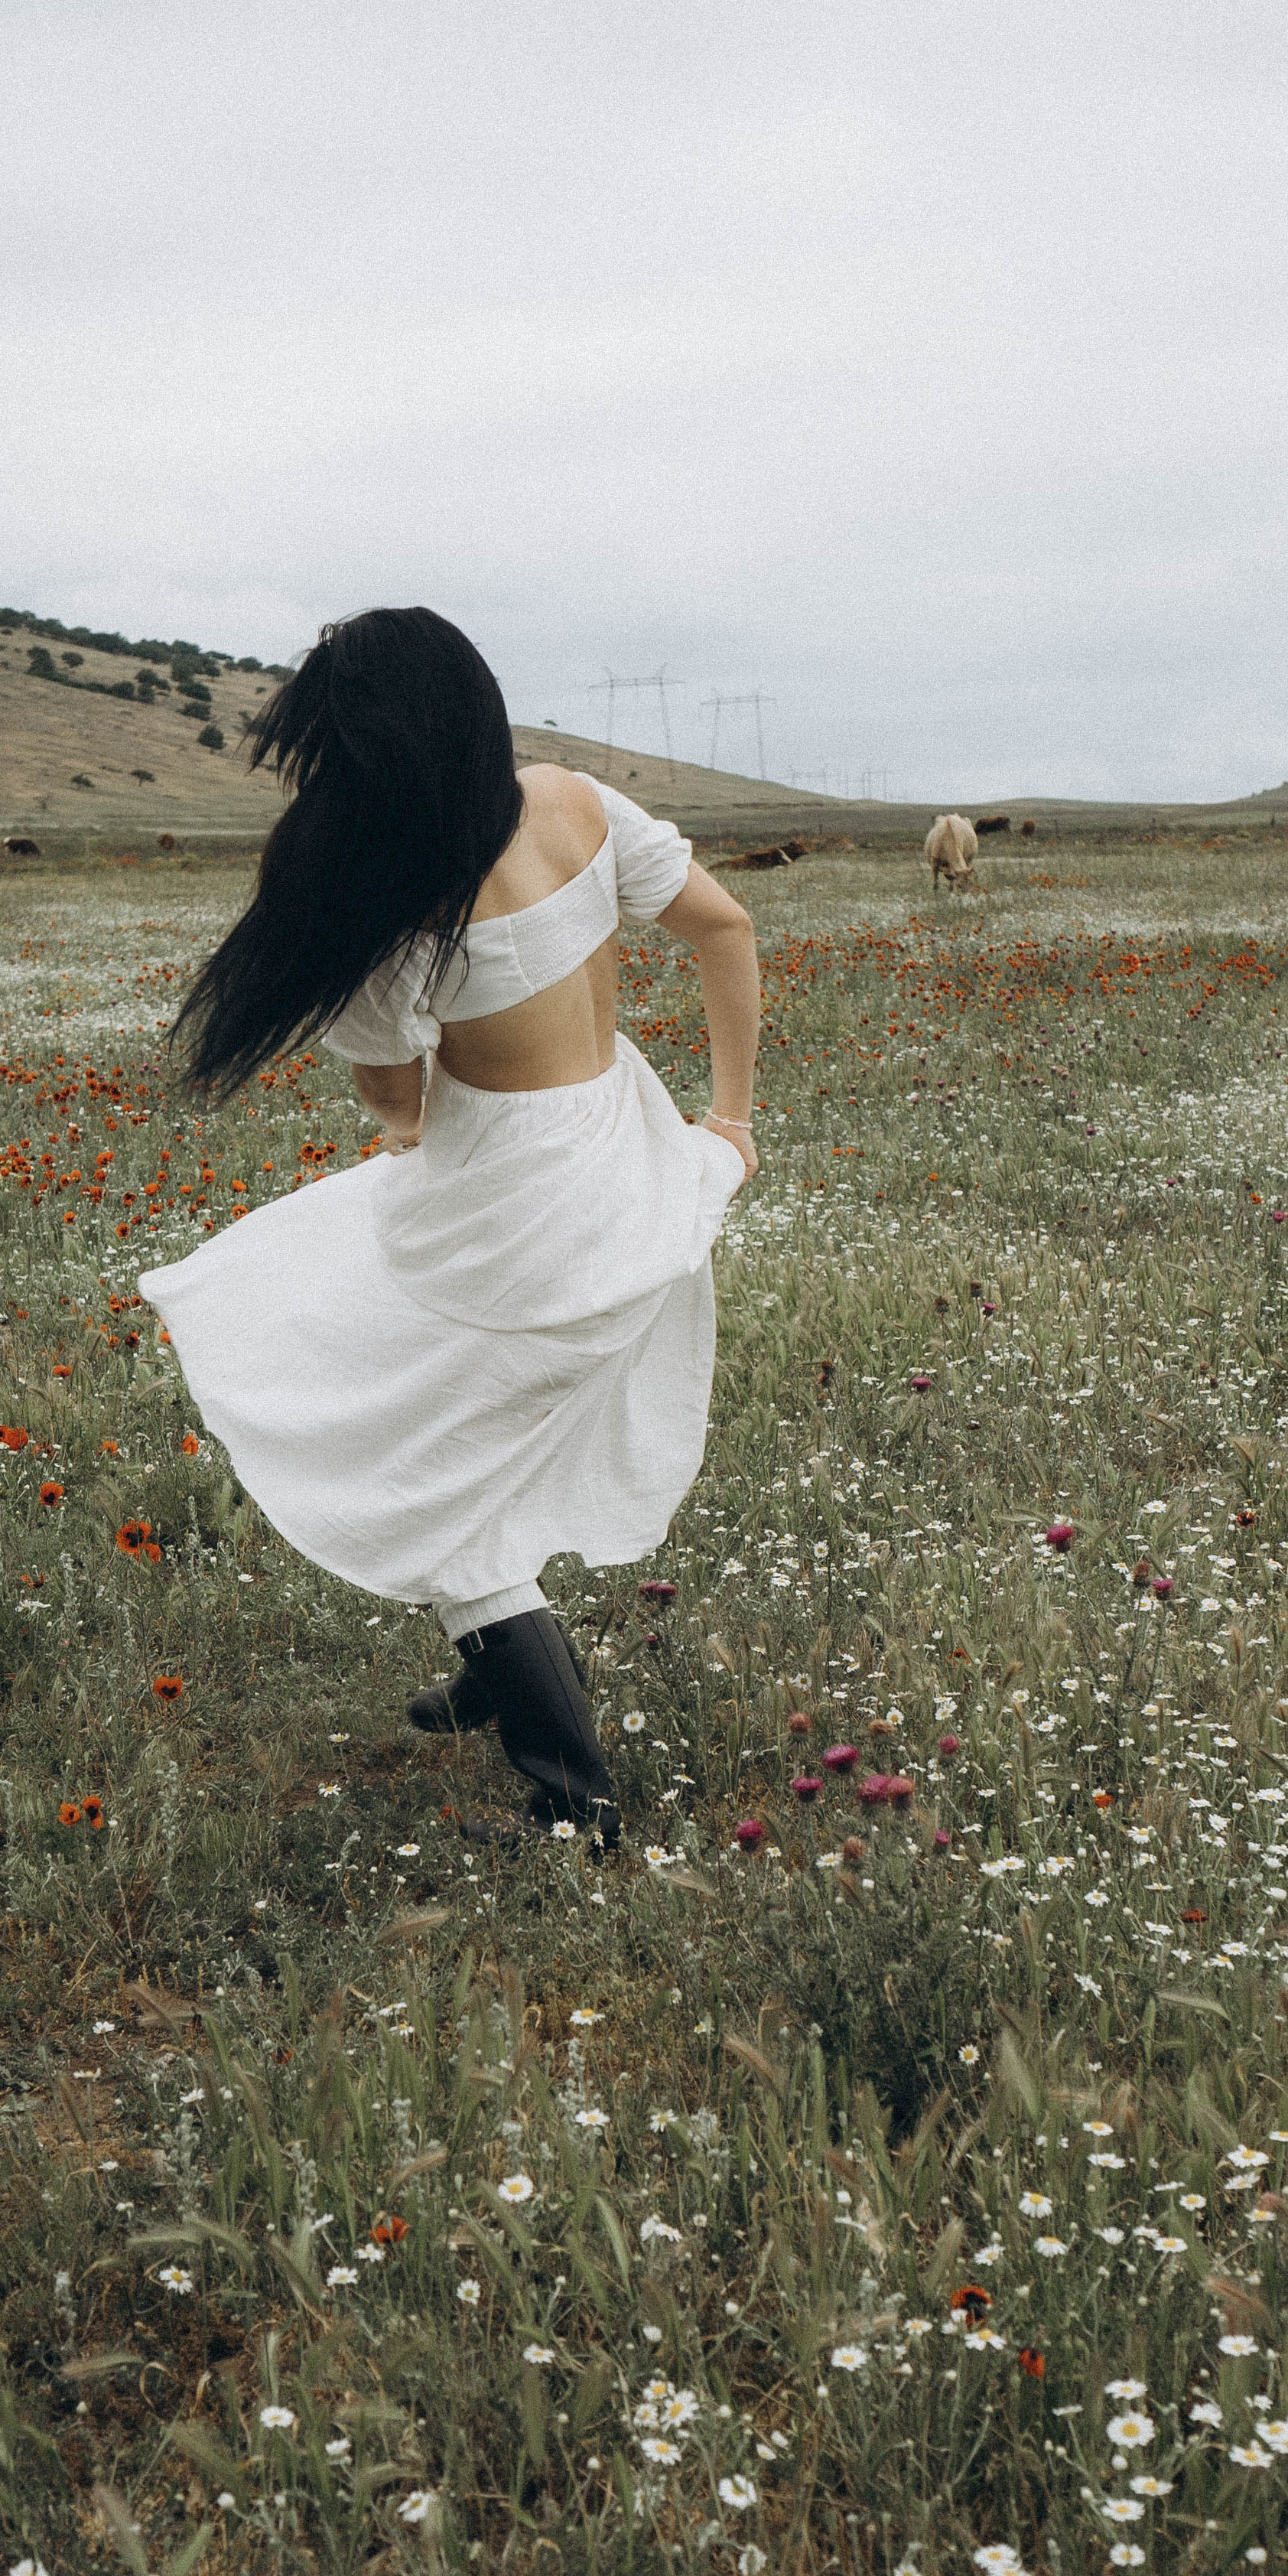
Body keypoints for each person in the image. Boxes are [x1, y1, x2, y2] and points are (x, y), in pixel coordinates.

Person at [138, 605, 759, 1849]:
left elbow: (400, 1109)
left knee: (413, 1449)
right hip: (626, 1157)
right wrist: (729, 1122)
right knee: (452, 1413)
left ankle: (572, 1797)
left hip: (510, 1205)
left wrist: (412, 1129)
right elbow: (726, 929)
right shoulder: (575, 802)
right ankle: (495, 1675)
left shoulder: (396, 912)